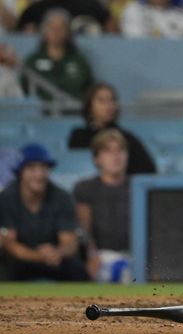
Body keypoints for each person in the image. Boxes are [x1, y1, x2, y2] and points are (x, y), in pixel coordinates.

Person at [0, 143, 88, 280]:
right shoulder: (7, 197)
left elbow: (70, 242)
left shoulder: (61, 197)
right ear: (20, 172)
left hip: (55, 259)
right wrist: (38, 256)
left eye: (43, 167)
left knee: (78, 270)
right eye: (32, 168)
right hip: (20, 261)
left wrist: (57, 252)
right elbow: (9, 244)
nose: (39, 174)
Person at [73, 129, 132, 282]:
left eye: (120, 150)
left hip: (134, 254)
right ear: (96, 159)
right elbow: (84, 227)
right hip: (101, 255)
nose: (116, 156)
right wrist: (91, 255)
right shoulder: (84, 188)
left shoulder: (138, 187)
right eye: (108, 151)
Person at [68, 82, 157, 175]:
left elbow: (148, 171)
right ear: (89, 106)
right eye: (102, 100)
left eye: (112, 100)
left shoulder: (126, 138)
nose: (108, 105)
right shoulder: (79, 136)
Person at [21, 8, 94, 101]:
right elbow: (23, 90)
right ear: (44, 31)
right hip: (40, 113)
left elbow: (90, 90)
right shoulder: (33, 61)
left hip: (73, 112)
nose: (56, 31)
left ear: (68, 32)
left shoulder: (80, 61)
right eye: (52, 26)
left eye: (61, 27)